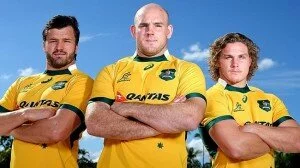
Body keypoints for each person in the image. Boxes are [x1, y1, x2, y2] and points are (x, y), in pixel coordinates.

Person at [85, 3, 207, 168]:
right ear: (134, 31)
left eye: (158, 25)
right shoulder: (111, 71)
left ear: (168, 31)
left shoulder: (187, 70)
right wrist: (168, 122)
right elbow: (95, 122)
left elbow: (190, 117)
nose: (150, 31)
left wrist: (126, 107)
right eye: (143, 25)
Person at [0, 15, 93, 168]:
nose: (59, 47)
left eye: (66, 41)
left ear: (76, 46)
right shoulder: (21, 83)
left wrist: (10, 128)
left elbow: (55, 131)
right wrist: (25, 114)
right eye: (53, 41)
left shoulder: (82, 82)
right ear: (44, 45)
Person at [200, 32, 300, 168]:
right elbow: (237, 148)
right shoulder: (211, 96)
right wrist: (279, 141)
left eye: (241, 57)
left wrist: (254, 128)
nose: (235, 64)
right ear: (217, 61)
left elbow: (297, 141)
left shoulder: (270, 99)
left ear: (250, 61)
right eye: (228, 57)